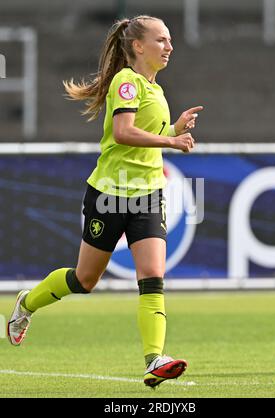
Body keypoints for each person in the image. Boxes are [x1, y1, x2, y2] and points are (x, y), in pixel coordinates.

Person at [7, 15, 203, 388]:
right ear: (138, 46)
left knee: (152, 278)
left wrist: (174, 129)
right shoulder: (125, 81)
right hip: (110, 195)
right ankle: (27, 303)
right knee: (84, 280)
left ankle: (154, 360)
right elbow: (123, 132)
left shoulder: (155, 89)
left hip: (146, 195)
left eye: (170, 40)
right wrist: (171, 142)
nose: (169, 46)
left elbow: (148, 131)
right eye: (161, 40)